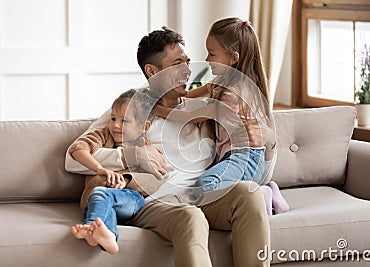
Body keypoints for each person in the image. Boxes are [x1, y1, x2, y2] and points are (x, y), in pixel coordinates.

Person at [65, 25, 271, 267]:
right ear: (152, 71)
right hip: (154, 201)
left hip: (202, 195)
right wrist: (133, 155)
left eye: (187, 61)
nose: (187, 70)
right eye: (176, 64)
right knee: (190, 216)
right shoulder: (129, 109)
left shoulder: (202, 111)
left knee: (249, 194)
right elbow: (72, 160)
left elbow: (246, 148)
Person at [156, 17, 289, 214]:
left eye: (212, 54)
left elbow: (193, 117)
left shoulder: (232, 93)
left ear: (233, 58)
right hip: (237, 158)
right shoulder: (226, 81)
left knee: (206, 185)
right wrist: (176, 96)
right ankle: (269, 190)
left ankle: (261, 194)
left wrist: (158, 109)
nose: (207, 59)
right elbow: (198, 91)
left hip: (244, 158)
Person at [68, 88, 160, 254]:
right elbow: (77, 149)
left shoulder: (145, 147)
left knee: (104, 194)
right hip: (94, 198)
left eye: (124, 121)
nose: (115, 125)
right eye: (113, 118)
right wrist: (99, 169)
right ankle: (106, 235)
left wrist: (125, 180)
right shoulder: (103, 136)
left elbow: (155, 181)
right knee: (100, 194)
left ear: (143, 126)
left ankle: (91, 228)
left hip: (129, 200)